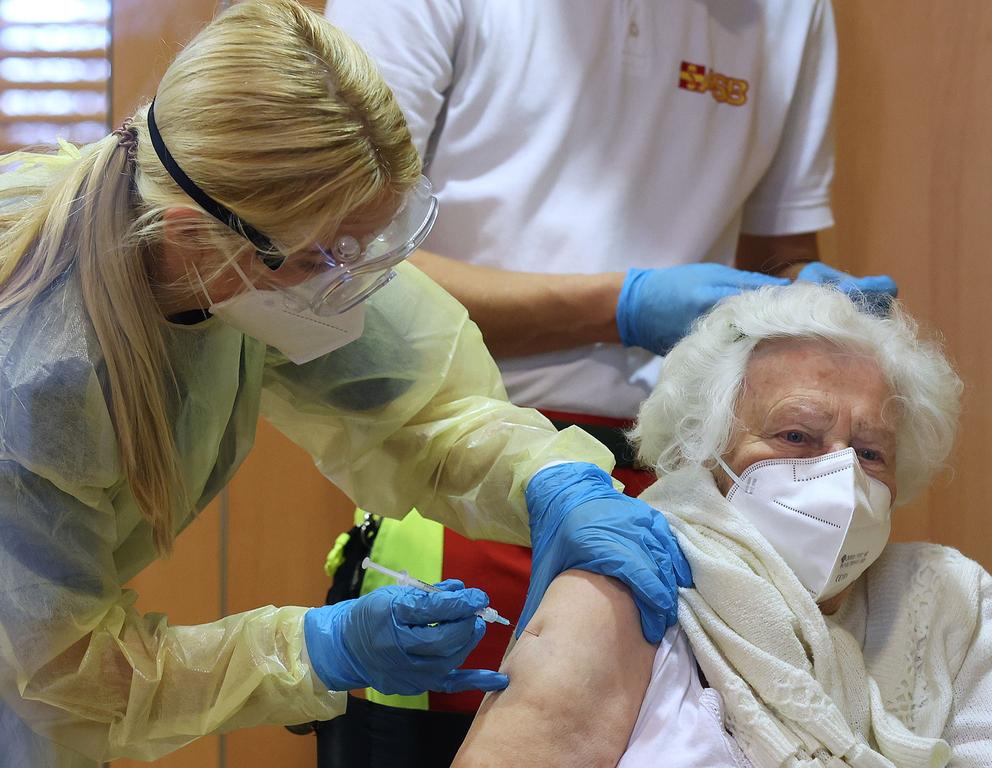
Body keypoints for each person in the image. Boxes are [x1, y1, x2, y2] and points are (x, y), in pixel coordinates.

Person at [0, 2, 690, 765]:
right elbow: (62, 678)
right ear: (190, 238)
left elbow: (425, 413)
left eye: (366, 247)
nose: (350, 288)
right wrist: (319, 650)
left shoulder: (242, 248)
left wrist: (555, 480)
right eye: (324, 260)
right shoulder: (32, 382)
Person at [317, 0, 897, 763]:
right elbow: (335, 265)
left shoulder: (787, 12)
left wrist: (799, 306)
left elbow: (778, 250)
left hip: (680, 500)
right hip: (454, 463)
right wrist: (618, 306)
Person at [453, 284, 992, 767]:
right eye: (795, 436)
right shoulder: (630, 584)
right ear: (705, 449)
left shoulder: (947, 598)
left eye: (871, 453)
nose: (841, 475)